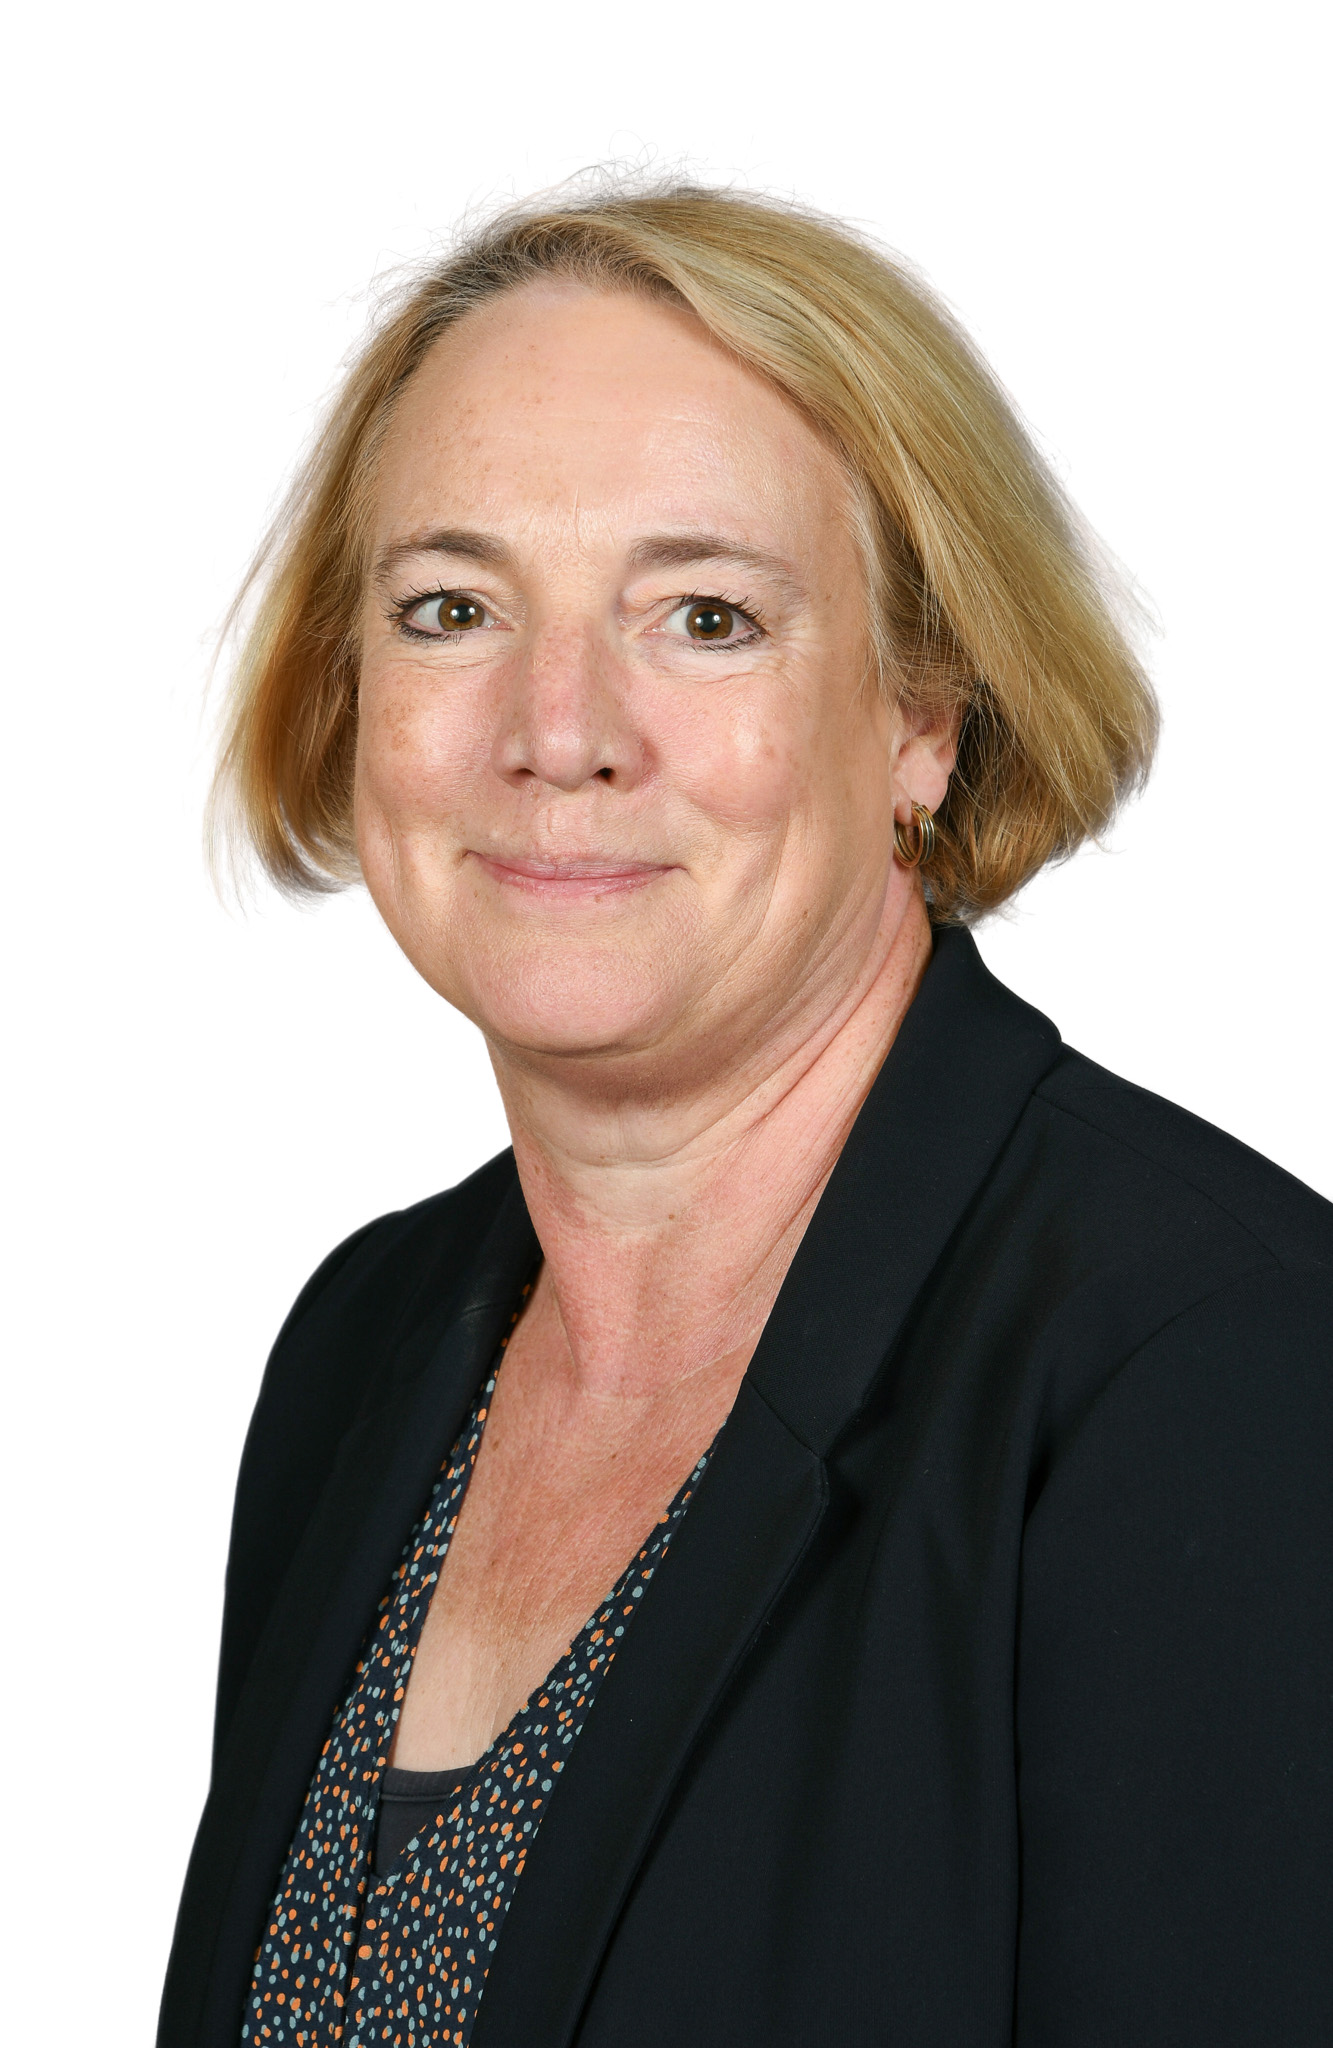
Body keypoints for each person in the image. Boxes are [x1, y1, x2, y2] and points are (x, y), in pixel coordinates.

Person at [160, 184, 1333, 2048]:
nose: (558, 729)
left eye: (704, 618)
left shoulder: (1216, 1377)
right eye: (452, 609)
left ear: (922, 717)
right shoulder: (364, 1345)